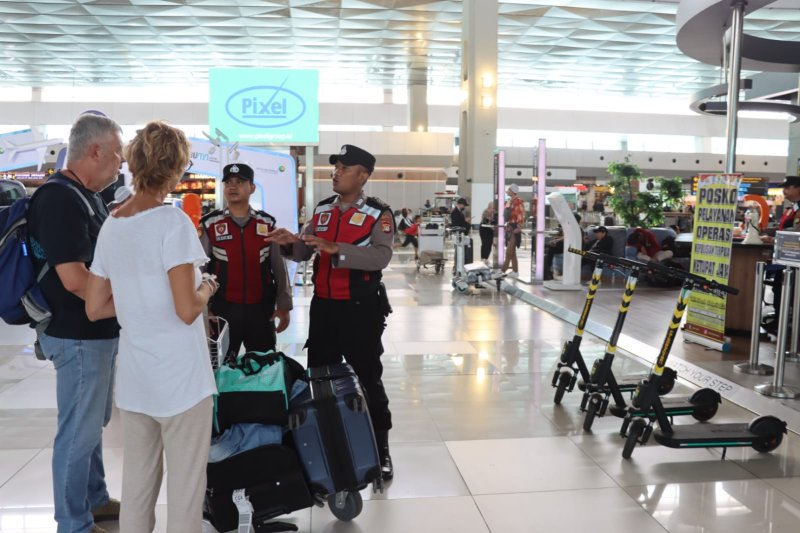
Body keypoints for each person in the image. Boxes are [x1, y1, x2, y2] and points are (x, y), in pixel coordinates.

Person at [84, 121, 217, 533]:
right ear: (176, 169)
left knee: (138, 489)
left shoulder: (113, 224)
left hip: (137, 381)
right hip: (182, 381)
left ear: (135, 162)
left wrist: (139, 297)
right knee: (186, 490)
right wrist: (209, 287)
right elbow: (185, 309)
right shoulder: (172, 223)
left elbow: (94, 307)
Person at [267, 144, 395, 481]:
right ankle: (322, 445)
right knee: (319, 379)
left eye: (343, 167)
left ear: (362, 175)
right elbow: (303, 252)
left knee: (367, 379)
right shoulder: (322, 211)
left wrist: (338, 249)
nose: (335, 173)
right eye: (335, 167)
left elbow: (381, 257)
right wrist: (287, 242)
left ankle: (380, 448)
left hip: (360, 310)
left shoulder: (378, 214)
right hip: (323, 308)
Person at [27, 113, 123, 533]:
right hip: (77, 335)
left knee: (91, 424)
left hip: (95, 332)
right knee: (77, 431)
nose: (121, 162)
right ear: (95, 150)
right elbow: (76, 279)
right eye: (118, 153)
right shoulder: (60, 199)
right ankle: (73, 522)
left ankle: (95, 499)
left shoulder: (87, 196)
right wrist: (138, 301)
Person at [199, 163, 292, 359]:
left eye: (240, 182)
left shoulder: (266, 223)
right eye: (229, 183)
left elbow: (278, 267)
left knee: (264, 367)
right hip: (222, 310)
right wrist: (203, 311)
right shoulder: (210, 224)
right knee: (220, 366)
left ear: (252, 187)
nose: (233, 187)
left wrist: (284, 306)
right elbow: (200, 269)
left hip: (261, 309)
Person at [761, 176, 800, 330]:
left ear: (798, 188)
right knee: (779, 288)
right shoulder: (793, 207)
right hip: (785, 257)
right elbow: (786, 229)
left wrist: (773, 239)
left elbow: (796, 235)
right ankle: (779, 320)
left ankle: (783, 324)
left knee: (789, 290)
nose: (784, 191)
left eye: (788, 187)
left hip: (794, 258)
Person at [502, 183, 525, 276]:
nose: (507, 191)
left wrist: (519, 227)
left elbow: (520, 214)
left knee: (508, 251)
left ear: (512, 191)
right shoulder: (510, 201)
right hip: (510, 227)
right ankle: (515, 271)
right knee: (512, 252)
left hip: (515, 228)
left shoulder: (517, 201)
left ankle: (502, 271)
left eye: (508, 189)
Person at [450, 197, 472, 265]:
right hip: (459, 233)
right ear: (459, 204)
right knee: (458, 250)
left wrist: (465, 221)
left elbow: (460, 221)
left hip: (462, 234)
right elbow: (457, 223)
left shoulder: (459, 212)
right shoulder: (455, 212)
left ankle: (459, 265)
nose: (464, 206)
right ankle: (457, 265)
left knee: (460, 250)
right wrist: (465, 221)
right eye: (463, 205)